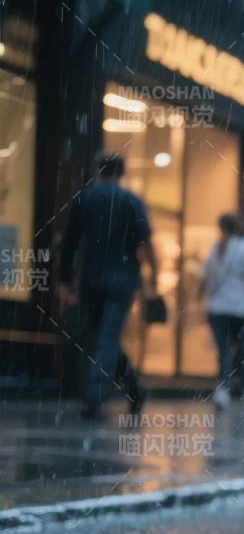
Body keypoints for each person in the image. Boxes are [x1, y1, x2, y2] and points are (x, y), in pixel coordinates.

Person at [58, 153, 156, 420]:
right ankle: (133, 388)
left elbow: (69, 243)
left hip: (91, 280)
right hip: (123, 280)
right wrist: (153, 276)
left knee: (103, 337)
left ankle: (95, 397)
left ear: (97, 170)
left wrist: (65, 280)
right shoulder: (132, 201)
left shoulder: (85, 199)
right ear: (121, 173)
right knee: (108, 338)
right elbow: (145, 242)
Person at [201, 213, 244, 406]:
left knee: (222, 350)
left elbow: (207, 278)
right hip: (240, 308)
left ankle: (223, 389)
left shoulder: (215, 248)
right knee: (243, 349)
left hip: (217, 307)